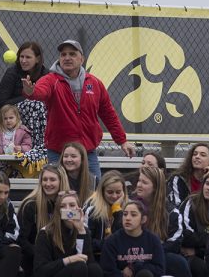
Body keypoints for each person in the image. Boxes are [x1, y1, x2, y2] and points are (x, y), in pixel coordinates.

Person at [21, 39, 136, 178]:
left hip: (87, 151)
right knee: (58, 195)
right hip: (58, 152)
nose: (67, 58)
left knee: (93, 193)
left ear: (82, 58)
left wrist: (122, 141)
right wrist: (30, 91)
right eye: (63, 54)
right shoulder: (51, 80)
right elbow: (40, 92)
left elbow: (108, 114)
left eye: (72, 54)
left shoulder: (95, 83)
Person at [32, 190, 110, 277]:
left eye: (72, 205)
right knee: (78, 267)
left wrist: (81, 231)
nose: (69, 209)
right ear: (58, 210)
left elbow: (89, 263)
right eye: (64, 206)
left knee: (95, 269)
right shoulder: (46, 233)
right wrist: (67, 260)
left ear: (79, 208)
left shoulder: (83, 230)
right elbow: (41, 271)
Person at [134, 165, 196, 277]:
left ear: (155, 187)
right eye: (139, 181)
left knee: (177, 261)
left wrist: (152, 252)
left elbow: (174, 242)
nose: (139, 185)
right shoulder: (131, 207)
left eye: (144, 182)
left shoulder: (171, 211)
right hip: (134, 257)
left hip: (157, 257)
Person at [101, 200, 166, 277]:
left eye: (133, 215)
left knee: (146, 275)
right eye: (125, 214)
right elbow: (109, 273)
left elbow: (159, 270)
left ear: (143, 219)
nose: (128, 218)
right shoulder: (112, 241)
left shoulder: (153, 240)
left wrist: (134, 267)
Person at [0, 41, 49, 170]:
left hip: (39, 115)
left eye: (28, 57)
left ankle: (40, 151)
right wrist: (29, 95)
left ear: (37, 59)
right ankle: (37, 150)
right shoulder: (12, 73)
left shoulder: (45, 74)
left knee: (38, 106)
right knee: (35, 105)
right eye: (21, 56)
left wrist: (33, 95)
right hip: (11, 113)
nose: (23, 60)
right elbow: (2, 103)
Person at [18, 165, 70, 277]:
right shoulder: (30, 205)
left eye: (52, 179)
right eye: (44, 179)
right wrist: (42, 254)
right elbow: (22, 240)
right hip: (35, 260)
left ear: (62, 181)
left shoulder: (68, 205)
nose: (48, 183)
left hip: (59, 259)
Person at [85, 170, 127, 259]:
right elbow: (87, 242)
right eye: (110, 192)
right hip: (97, 257)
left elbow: (123, 238)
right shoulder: (92, 209)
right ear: (102, 191)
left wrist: (116, 209)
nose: (115, 196)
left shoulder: (129, 208)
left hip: (120, 258)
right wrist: (108, 244)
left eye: (118, 192)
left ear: (124, 192)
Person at [167, 142, 209, 209]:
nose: (197, 157)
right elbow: (177, 207)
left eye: (203, 155)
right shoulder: (178, 179)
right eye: (195, 154)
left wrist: (208, 179)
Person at [0, 104, 32, 175]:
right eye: (5, 119)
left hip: (17, 163)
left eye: (11, 118)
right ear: (1, 120)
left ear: (17, 118)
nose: (8, 120)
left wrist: (21, 148)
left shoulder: (23, 131)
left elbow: (28, 146)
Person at [60, 141, 98, 206]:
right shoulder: (57, 178)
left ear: (82, 159)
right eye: (65, 156)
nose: (69, 159)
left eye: (73, 156)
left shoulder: (93, 180)